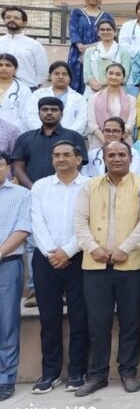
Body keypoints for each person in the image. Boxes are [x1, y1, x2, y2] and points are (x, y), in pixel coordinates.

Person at [72, 140, 140, 397]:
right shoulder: (90, 186)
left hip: (131, 265)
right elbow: (79, 221)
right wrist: (93, 248)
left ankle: (128, 372)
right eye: (112, 155)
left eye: (122, 154)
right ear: (104, 158)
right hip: (95, 265)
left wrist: (125, 248)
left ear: (130, 158)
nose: (117, 158)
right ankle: (98, 375)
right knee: (97, 323)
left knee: (130, 322)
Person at [28, 141, 88, 394]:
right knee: (49, 319)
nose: (61, 159)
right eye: (56, 155)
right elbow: (36, 221)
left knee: (80, 317)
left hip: (80, 257)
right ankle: (50, 373)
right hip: (46, 259)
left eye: (66, 155)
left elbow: (90, 223)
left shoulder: (90, 186)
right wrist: (52, 252)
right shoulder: (40, 186)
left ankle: (77, 371)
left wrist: (68, 251)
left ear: (78, 159)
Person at [0, 153, 32, 401]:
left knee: (6, 324)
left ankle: (5, 378)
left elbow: (23, 229)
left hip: (7, 265)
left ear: (8, 167)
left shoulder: (21, 194)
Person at [11, 97, 88, 188]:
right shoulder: (24, 138)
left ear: (62, 114)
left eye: (54, 110)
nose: (49, 113)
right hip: (30, 192)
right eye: (45, 109)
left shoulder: (75, 137)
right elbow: (18, 168)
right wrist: (34, 189)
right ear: (38, 114)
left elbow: (78, 165)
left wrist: (63, 186)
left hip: (65, 190)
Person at [67, 0, 115, 92]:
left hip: (100, 52)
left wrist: (87, 47)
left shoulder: (107, 16)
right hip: (78, 53)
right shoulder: (76, 13)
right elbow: (73, 31)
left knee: (98, 80)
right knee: (76, 81)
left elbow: (110, 36)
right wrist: (80, 47)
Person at [26, 61, 88, 134]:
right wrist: (45, 133)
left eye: (64, 74)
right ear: (50, 76)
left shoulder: (80, 99)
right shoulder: (38, 95)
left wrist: (66, 135)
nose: (60, 77)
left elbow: (82, 121)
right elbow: (31, 117)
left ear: (70, 78)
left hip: (70, 138)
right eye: (56, 73)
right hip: (41, 136)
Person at [86, 63, 136, 148]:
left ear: (123, 78)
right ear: (106, 75)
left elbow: (130, 124)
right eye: (111, 73)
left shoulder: (131, 99)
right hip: (99, 142)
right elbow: (92, 123)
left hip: (123, 142)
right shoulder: (93, 98)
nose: (114, 77)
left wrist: (118, 141)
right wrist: (105, 141)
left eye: (118, 74)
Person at [83, 19, 136, 97]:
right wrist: (95, 85)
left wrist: (101, 85)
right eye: (102, 30)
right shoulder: (89, 51)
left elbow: (125, 76)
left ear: (115, 32)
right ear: (98, 33)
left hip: (116, 93)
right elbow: (87, 73)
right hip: (93, 92)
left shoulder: (124, 53)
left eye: (108, 29)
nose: (105, 32)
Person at [1, 6, 50, 88]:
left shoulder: (34, 45)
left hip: (28, 88)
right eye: (8, 17)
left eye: (16, 18)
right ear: (4, 20)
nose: (11, 20)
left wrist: (33, 89)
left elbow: (42, 72)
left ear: (24, 23)